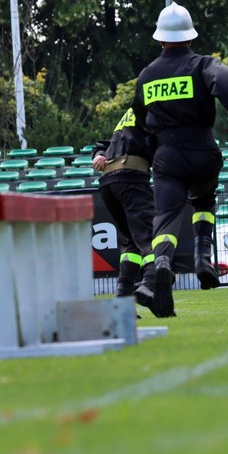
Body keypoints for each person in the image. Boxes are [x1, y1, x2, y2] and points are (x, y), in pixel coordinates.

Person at [135, 3, 228, 317]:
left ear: (160, 38)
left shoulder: (147, 75)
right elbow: (227, 86)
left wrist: (157, 137)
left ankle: (162, 264)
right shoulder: (203, 64)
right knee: (203, 199)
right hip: (202, 151)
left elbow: (139, 115)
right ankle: (202, 257)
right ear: (190, 36)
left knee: (166, 217)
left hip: (167, 156)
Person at [92, 107, 157, 313]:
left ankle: (122, 300)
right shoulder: (155, 108)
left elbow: (105, 145)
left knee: (132, 241)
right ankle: (151, 283)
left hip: (108, 183)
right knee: (152, 235)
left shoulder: (130, 113)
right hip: (131, 178)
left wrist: (99, 154)